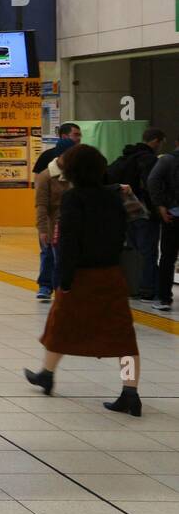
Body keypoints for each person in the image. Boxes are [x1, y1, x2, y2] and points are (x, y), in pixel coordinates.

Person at [24, 144, 142, 416]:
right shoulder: (115, 197)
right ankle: (130, 392)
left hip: (81, 275)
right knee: (123, 336)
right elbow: (136, 219)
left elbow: (69, 242)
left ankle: (47, 374)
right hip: (111, 273)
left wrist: (63, 279)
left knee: (60, 325)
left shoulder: (74, 199)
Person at [111, 128, 166, 301]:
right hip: (145, 213)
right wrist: (158, 208)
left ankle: (133, 286)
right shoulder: (149, 160)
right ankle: (148, 290)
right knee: (148, 252)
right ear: (156, 141)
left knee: (133, 251)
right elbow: (152, 186)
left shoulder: (125, 157)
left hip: (127, 212)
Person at [147, 138, 179, 314]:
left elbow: (153, 181)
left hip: (173, 215)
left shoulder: (167, 160)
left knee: (168, 257)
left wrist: (160, 205)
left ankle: (164, 298)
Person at [33, 153, 70, 302]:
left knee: (61, 259)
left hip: (69, 224)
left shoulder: (76, 174)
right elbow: (41, 205)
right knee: (50, 255)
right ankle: (47, 286)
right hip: (51, 224)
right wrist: (42, 229)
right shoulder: (46, 176)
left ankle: (63, 290)